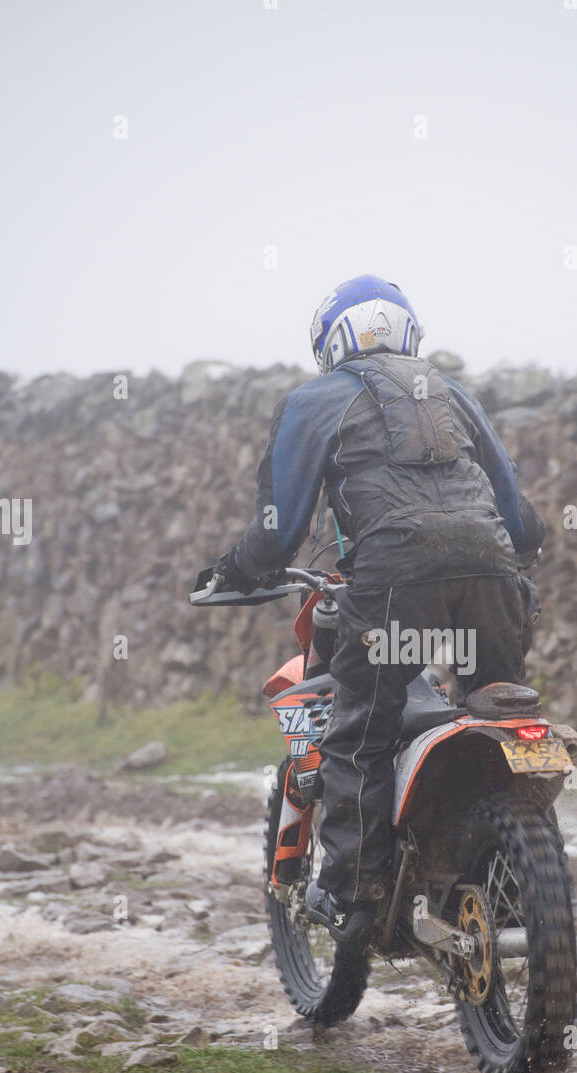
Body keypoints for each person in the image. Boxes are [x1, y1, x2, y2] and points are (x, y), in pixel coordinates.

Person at [214, 274, 544, 939]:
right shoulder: (456, 394)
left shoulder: (316, 400)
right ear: (408, 330)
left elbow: (279, 531)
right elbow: (525, 526)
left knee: (360, 728)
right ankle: (506, 864)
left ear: (333, 342)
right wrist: (498, 560)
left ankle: (352, 893)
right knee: (500, 705)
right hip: (493, 575)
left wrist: (237, 569)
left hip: (395, 580)